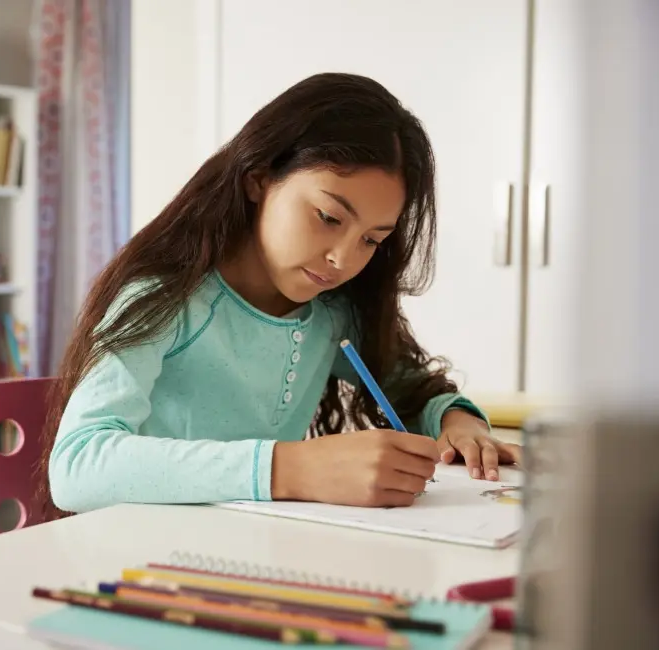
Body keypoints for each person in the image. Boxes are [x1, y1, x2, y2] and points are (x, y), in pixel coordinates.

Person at [42, 72, 521, 516]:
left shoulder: (332, 314)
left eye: (371, 240)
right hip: (146, 565)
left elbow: (409, 386)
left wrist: (458, 422)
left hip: (260, 557)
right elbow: (77, 466)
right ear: (259, 179)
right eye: (329, 218)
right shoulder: (164, 299)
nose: (342, 258)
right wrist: (293, 468)